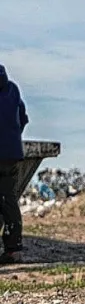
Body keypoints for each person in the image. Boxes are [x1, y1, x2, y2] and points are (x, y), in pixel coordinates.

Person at [0, 64, 29, 262]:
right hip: (11, 154)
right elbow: (23, 118)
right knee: (9, 200)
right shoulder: (13, 89)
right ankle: (13, 248)